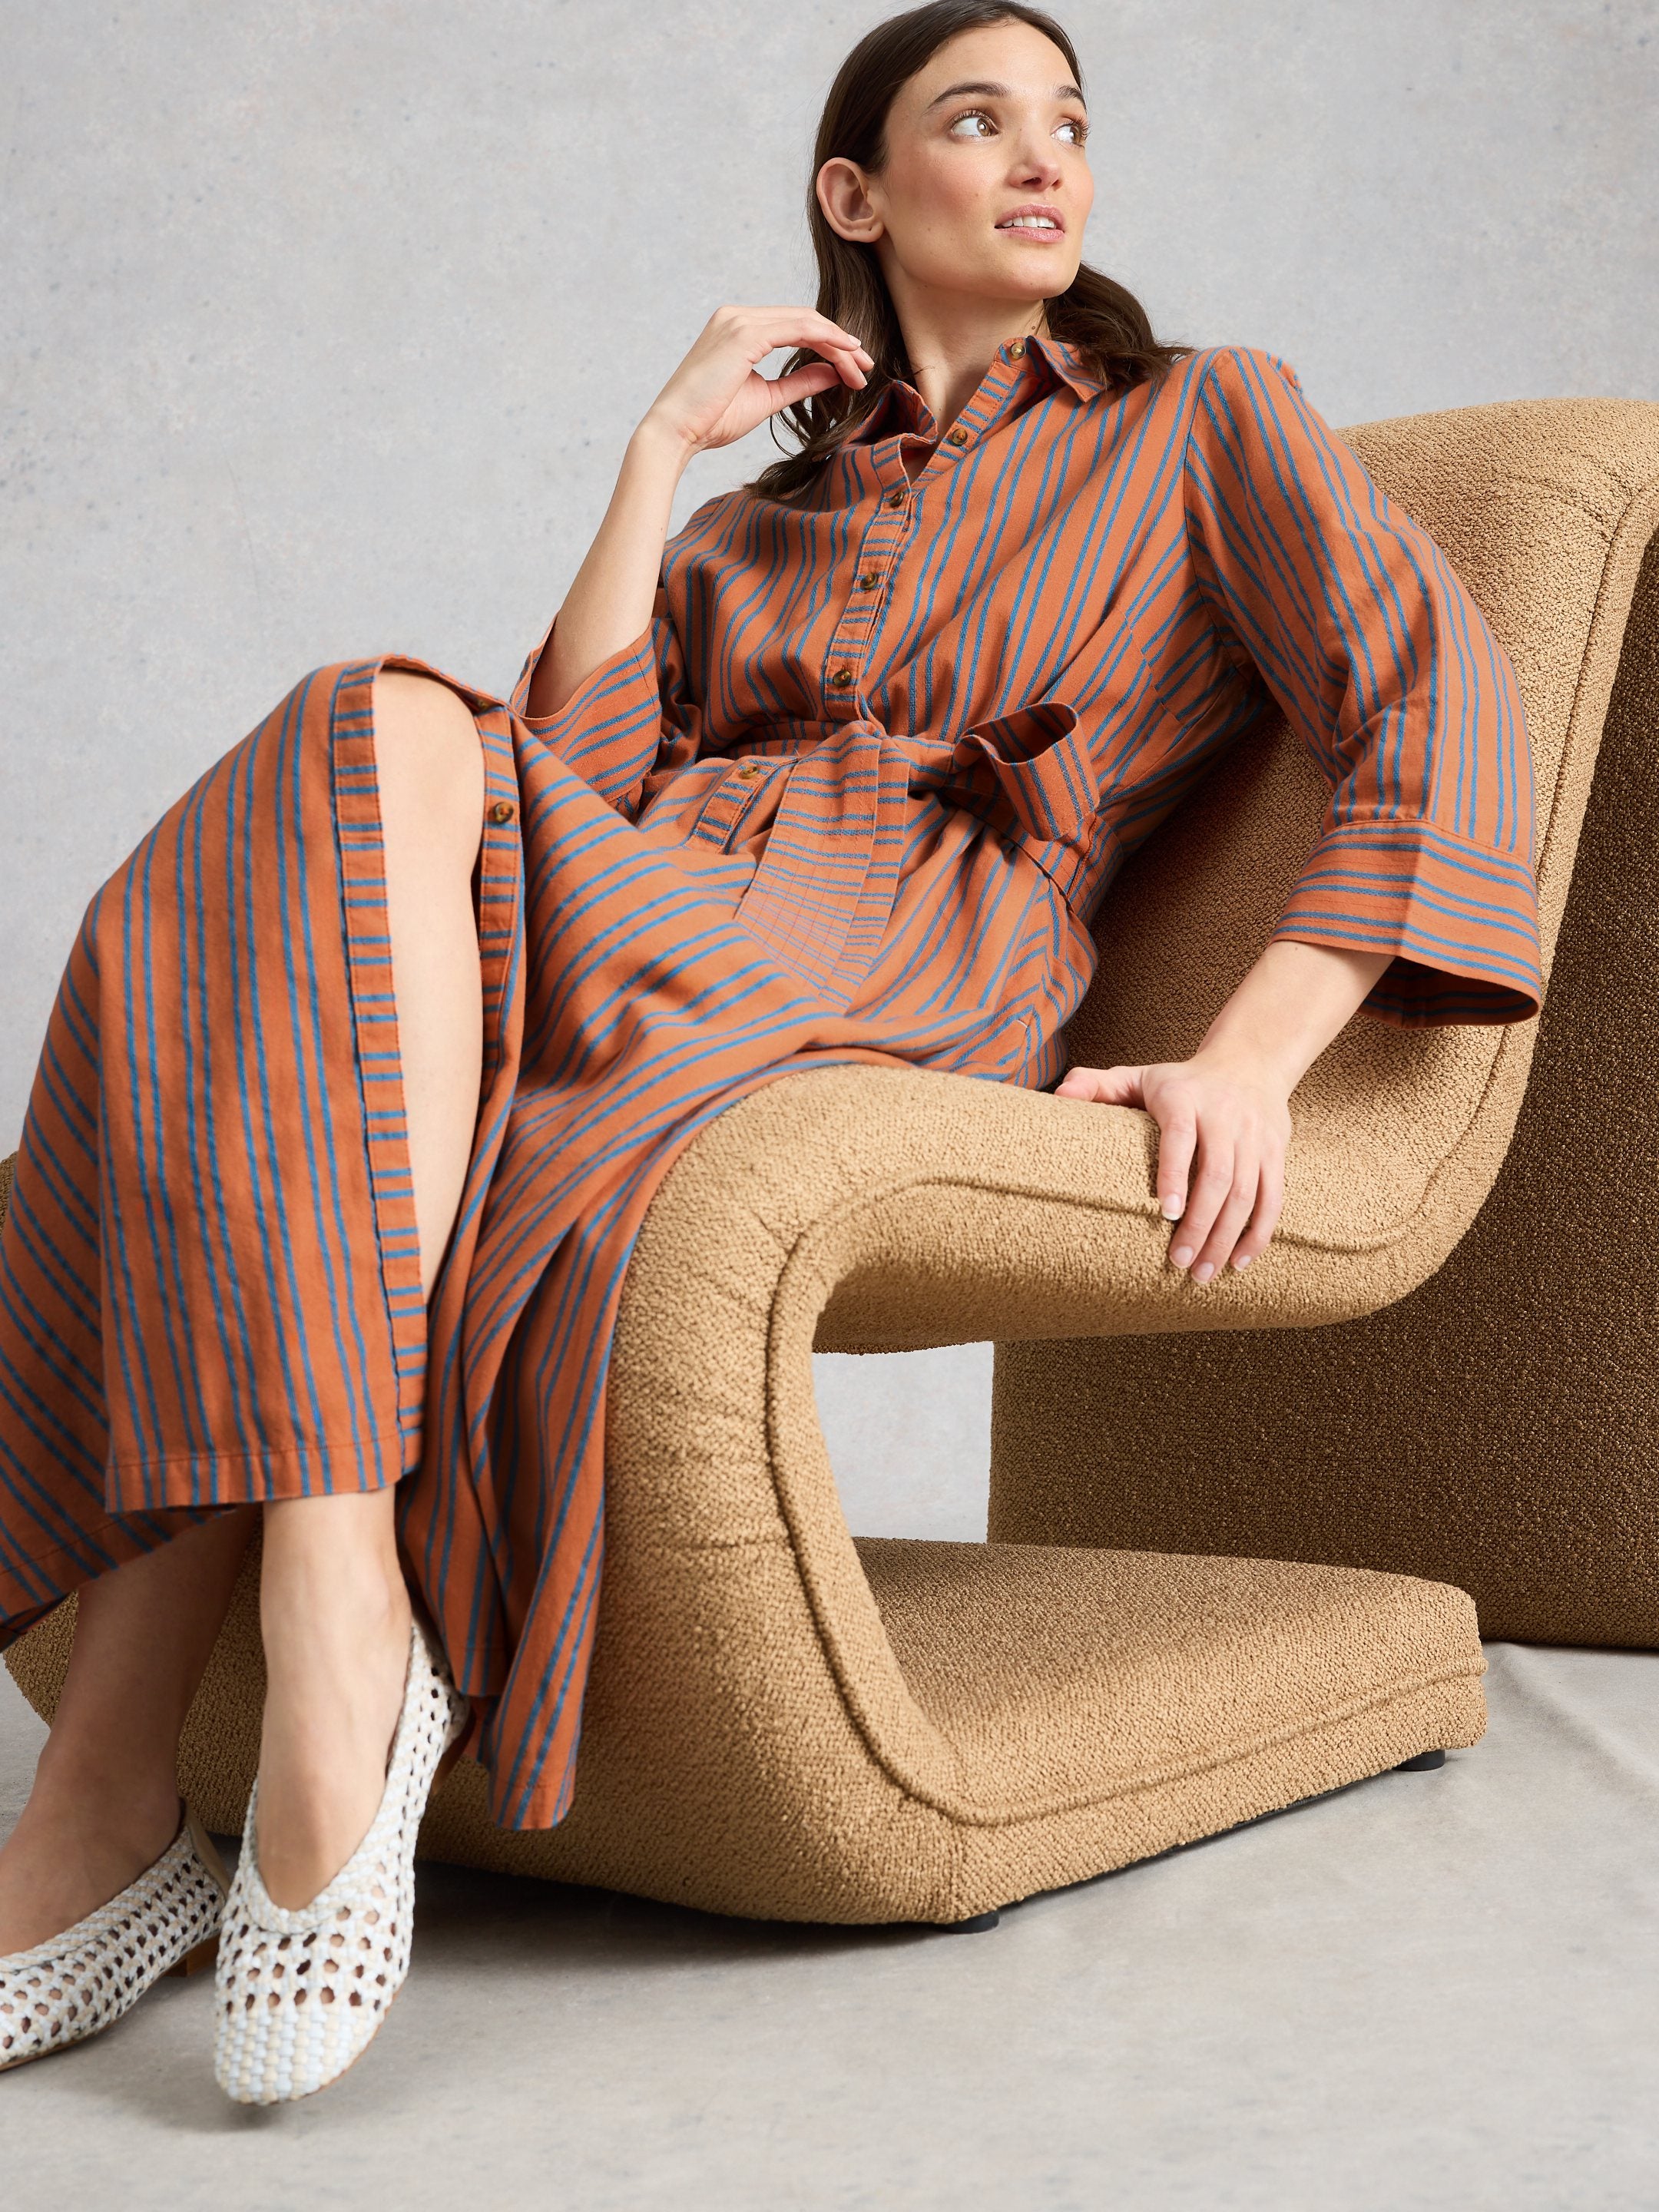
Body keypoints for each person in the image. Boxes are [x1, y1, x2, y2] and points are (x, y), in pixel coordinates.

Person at [0, 0, 1538, 2101]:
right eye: (976, 117)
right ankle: (328, 1615)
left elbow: (1431, 708)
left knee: (306, 1022)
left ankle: (117, 1791)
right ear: (855, 194)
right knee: (354, 739)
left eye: (1068, 123)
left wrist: (1257, 1060)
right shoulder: (748, 532)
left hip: (897, 944)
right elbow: (572, 778)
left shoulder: (1206, 421)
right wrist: (658, 456)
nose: (1043, 156)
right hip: (643, 907)